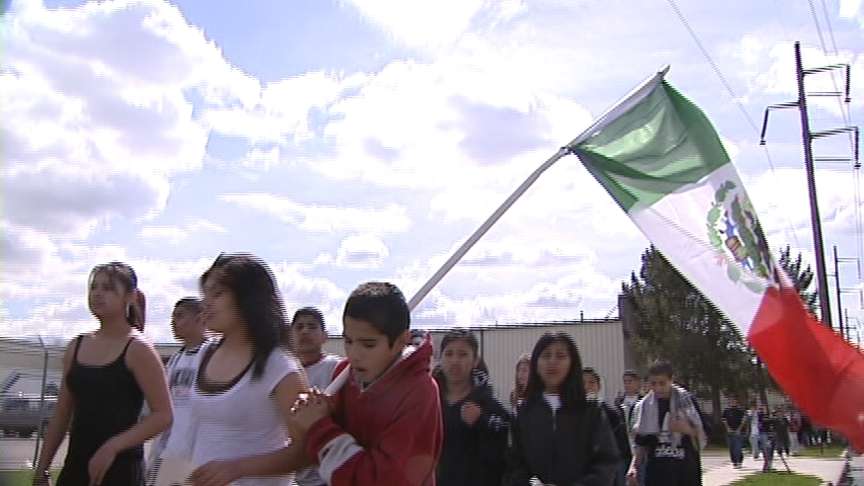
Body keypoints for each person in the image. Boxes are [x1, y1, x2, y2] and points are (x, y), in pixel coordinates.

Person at [288, 282, 443, 486]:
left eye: (368, 344)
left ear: (400, 341)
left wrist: (319, 427)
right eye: (348, 341)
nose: (354, 354)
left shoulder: (419, 392)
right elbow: (320, 460)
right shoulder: (344, 376)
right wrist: (312, 417)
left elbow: (381, 481)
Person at [34, 262, 172, 486]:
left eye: (107, 288)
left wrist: (113, 446)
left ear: (130, 296)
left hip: (121, 468)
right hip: (77, 466)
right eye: (94, 287)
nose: (97, 294)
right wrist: (42, 469)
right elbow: (61, 414)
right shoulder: (76, 346)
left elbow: (163, 415)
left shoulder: (138, 348)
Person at [186, 253, 310, 486]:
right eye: (205, 294)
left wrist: (239, 468)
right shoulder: (205, 353)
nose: (206, 303)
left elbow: (306, 450)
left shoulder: (280, 366)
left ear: (248, 298)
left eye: (218, 293)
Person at [504, 332, 619, 486]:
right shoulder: (523, 412)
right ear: (536, 365)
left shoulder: (591, 410)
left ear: (572, 363)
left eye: (560, 356)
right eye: (545, 356)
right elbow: (514, 464)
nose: (552, 361)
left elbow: (606, 463)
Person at [145, 297, 211, 484]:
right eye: (172, 317)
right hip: (169, 447)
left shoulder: (212, 354)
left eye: (180, 316)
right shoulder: (175, 360)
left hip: (197, 451)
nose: (173, 322)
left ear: (200, 318)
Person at [433, 329, 510, 486]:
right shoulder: (427, 402)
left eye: (462, 354)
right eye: (449, 354)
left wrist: (481, 423)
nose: (455, 360)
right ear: (440, 359)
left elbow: (502, 457)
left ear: (475, 360)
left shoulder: (490, 407)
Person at [627, 360, 705, 486]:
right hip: (657, 474)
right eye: (653, 383)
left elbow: (703, 434)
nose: (657, 388)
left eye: (662, 383)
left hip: (685, 472)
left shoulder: (687, 402)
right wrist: (633, 467)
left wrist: (687, 429)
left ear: (671, 380)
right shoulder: (644, 407)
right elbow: (641, 443)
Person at [290, 307, 342, 486]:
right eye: (299, 327)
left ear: (324, 336)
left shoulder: (338, 369)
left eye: (312, 327)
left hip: (328, 473)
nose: (305, 331)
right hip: (292, 473)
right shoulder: (283, 373)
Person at [584, 367, 632, 486]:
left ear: (599, 386)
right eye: (582, 383)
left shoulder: (611, 412)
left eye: (591, 383)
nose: (587, 387)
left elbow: (621, 444)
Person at [721, 397, 746, 468]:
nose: (733, 402)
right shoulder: (726, 411)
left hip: (738, 432)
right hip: (729, 432)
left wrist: (739, 429)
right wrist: (728, 428)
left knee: (738, 447)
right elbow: (724, 420)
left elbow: (743, 421)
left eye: (734, 401)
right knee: (731, 448)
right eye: (731, 401)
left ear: (736, 402)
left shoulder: (740, 410)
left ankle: (739, 461)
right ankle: (734, 462)